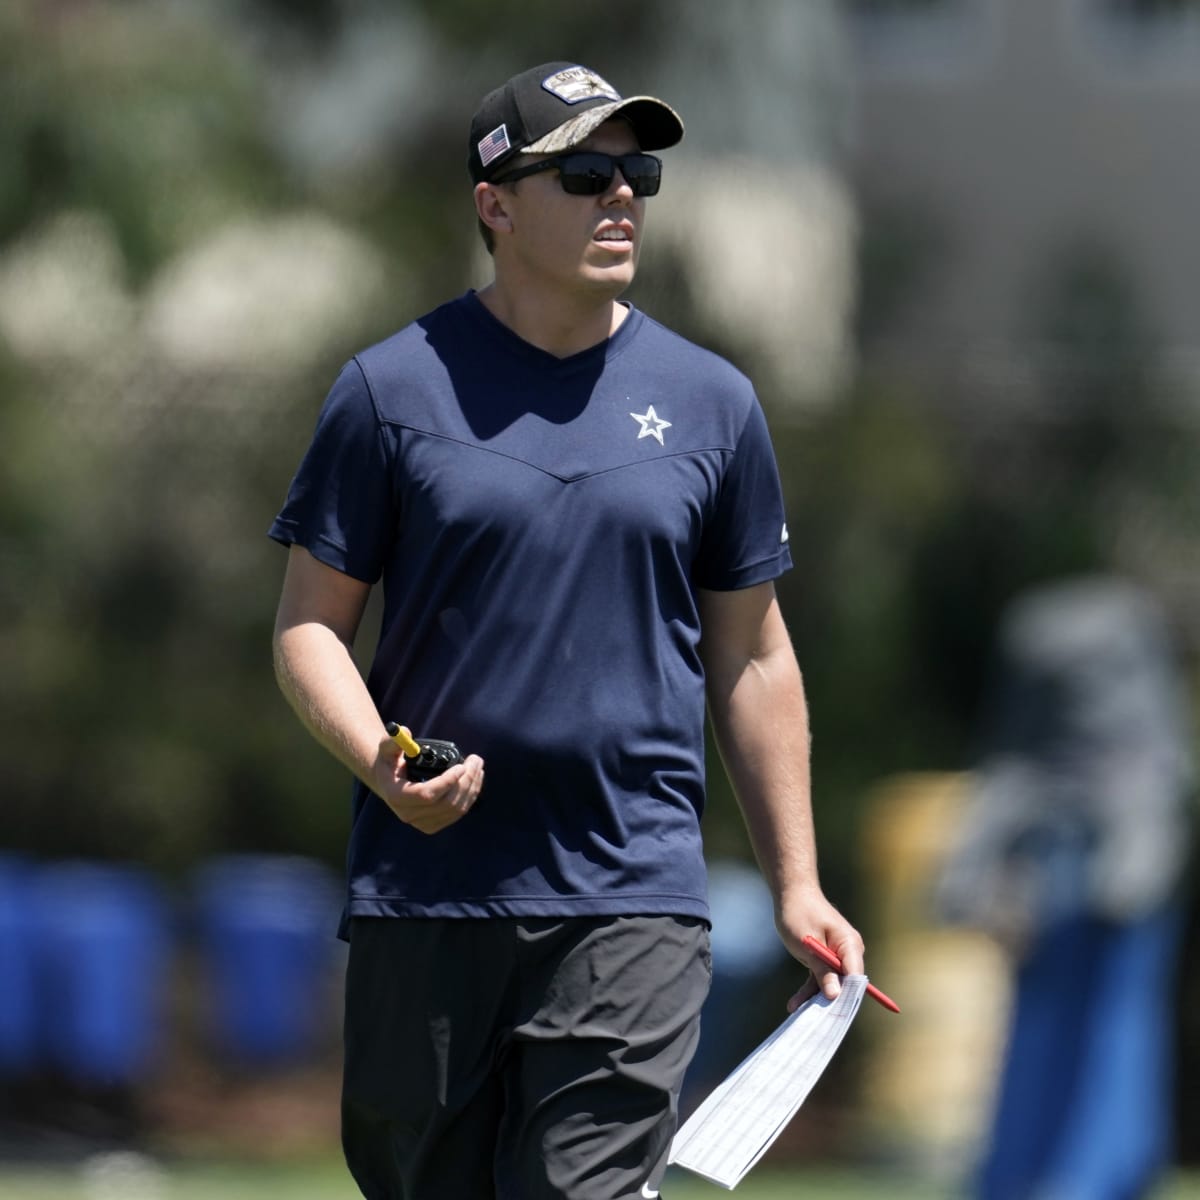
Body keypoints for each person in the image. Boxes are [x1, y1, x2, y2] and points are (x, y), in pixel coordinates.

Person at [269, 60, 864, 1200]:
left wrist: (797, 881)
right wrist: (380, 765)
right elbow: (309, 628)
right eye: (586, 174)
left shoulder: (713, 404)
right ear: (495, 202)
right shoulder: (390, 390)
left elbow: (753, 652)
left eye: (637, 172)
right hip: (429, 891)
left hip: (632, 889)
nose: (624, 198)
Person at [937, 575, 1195, 1200]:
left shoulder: (1134, 742)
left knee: (1111, 1022)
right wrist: (974, 876)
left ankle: (1086, 1176)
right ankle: (1028, 1174)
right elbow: (1011, 772)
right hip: (1055, 870)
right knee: (1055, 1025)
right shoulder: (1058, 681)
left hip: (1114, 872)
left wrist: (1136, 865)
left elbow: (1151, 784)